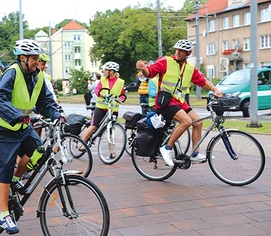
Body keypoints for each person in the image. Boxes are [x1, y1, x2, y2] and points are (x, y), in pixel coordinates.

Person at [0, 39, 63, 234]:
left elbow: (46, 102)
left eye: (38, 58)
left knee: (38, 150)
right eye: (34, 58)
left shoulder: (38, 77)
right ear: (23, 58)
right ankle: (4, 215)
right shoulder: (11, 73)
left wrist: (57, 114)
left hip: (21, 125)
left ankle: (16, 179)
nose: (37, 61)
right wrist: (18, 116)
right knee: (3, 167)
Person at [136, 39, 223, 167]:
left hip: (180, 102)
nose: (178, 52)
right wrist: (143, 69)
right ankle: (167, 148)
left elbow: (202, 81)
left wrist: (215, 89)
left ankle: (195, 154)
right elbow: (150, 72)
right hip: (165, 101)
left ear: (188, 53)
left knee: (198, 122)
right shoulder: (165, 61)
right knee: (186, 121)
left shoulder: (189, 68)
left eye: (181, 51)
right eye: (177, 49)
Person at [80, 61, 125, 158]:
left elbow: (122, 94)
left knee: (111, 130)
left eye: (105, 70)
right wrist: (101, 94)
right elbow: (97, 90)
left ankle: (112, 152)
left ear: (111, 71)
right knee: (93, 126)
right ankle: (81, 143)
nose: (104, 71)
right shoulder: (103, 80)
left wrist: (121, 99)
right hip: (101, 108)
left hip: (113, 109)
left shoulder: (120, 82)